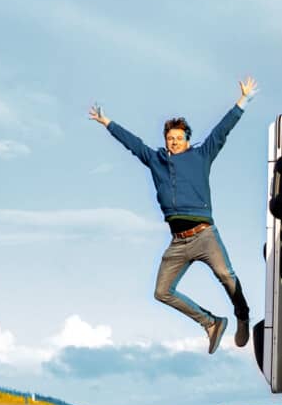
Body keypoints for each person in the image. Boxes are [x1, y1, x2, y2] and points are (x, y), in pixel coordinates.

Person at [89, 79, 257, 353]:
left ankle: (242, 316)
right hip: (178, 242)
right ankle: (211, 323)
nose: (174, 142)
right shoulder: (157, 160)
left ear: (187, 140)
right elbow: (133, 144)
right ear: (166, 141)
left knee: (226, 275)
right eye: (170, 138)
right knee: (162, 291)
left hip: (204, 235)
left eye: (179, 138)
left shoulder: (201, 155)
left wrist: (243, 101)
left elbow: (222, 131)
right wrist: (107, 122)